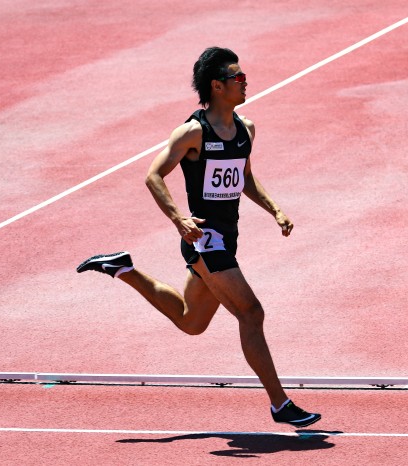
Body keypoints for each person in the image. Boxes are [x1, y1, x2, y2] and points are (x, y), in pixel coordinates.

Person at [77, 46, 320, 428]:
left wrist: (274, 208)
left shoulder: (246, 128)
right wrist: (178, 219)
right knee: (251, 313)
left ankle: (123, 269)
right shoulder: (193, 133)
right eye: (238, 79)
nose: (245, 83)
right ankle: (279, 403)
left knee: (191, 322)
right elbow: (153, 175)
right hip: (205, 239)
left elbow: (244, 177)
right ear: (217, 86)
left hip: (228, 236)